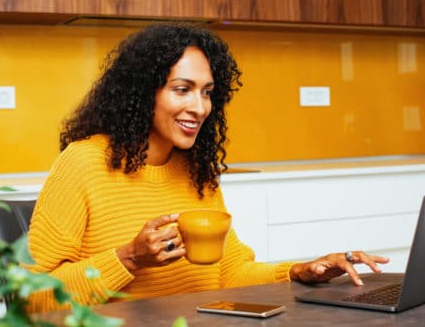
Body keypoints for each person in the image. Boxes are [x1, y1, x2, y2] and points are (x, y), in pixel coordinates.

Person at [26, 23, 389, 313]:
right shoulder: (81, 163)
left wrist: (300, 271)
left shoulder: (196, 169)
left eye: (207, 92)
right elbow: (32, 298)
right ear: (141, 93)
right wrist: (129, 258)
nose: (199, 108)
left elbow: (228, 272)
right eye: (182, 89)